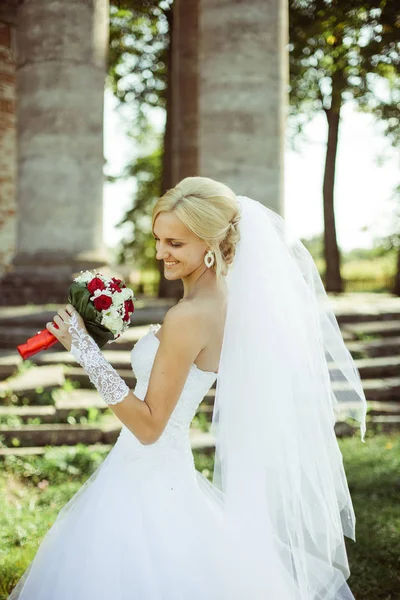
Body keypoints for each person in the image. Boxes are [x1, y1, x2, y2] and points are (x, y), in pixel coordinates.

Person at [8, 176, 367, 600]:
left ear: (211, 244)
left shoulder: (189, 316)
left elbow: (149, 427)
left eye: (175, 244)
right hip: (160, 470)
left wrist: (86, 353)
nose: (161, 252)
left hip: (146, 471)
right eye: (159, 239)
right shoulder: (221, 301)